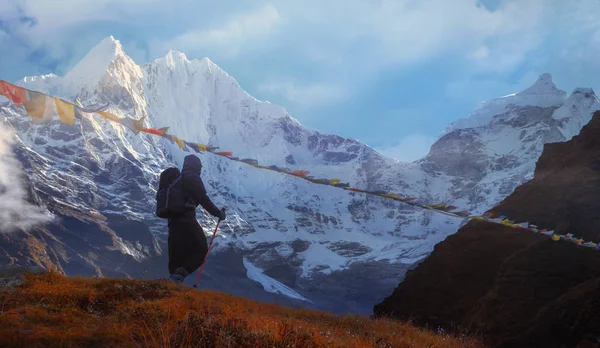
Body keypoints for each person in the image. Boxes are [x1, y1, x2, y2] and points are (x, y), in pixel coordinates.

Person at [167, 154, 226, 283]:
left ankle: (173, 283)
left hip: (172, 222)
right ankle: (180, 275)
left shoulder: (177, 181)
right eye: (199, 167)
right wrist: (218, 214)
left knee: (177, 254)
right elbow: (203, 199)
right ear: (196, 166)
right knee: (201, 250)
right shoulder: (193, 178)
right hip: (186, 220)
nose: (200, 170)